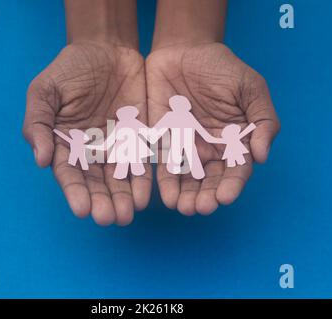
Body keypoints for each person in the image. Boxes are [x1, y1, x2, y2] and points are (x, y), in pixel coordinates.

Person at [22, 0, 281, 225]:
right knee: (143, 159)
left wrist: (189, 33)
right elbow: (150, 131)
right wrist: (96, 35)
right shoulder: (128, 126)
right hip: (147, 143)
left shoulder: (168, 119)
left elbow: (181, 130)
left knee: (183, 154)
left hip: (176, 139)